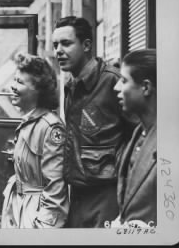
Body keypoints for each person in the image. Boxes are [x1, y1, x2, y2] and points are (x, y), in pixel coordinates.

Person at [52, 16, 136, 228]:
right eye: (55, 45)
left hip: (107, 194)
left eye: (66, 43)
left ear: (87, 45)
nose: (58, 51)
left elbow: (137, 136)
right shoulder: (71, 85)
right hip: (78, 192)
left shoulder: (112, 82)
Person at [0, 53, 69, 228]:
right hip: (19, 207)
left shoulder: (51, 127)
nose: (13, 87)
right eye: (14, 80)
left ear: (39, 89)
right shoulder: (29, 122)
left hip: (35, 214)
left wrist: (44, 228)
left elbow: (55, 188)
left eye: (20, 82)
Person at [113, 49, 157, 227]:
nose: (116, 87)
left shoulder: (173, 142)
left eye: (123, 80)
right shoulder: (138, 133)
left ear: (145, 87)